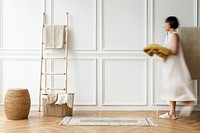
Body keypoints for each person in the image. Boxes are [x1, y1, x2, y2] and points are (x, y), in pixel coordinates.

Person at [159, 16, 196, 120]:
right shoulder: (169, 35)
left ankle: (188, 102)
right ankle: (172, 113)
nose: (165, 25)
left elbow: (174, 51)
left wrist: (162, 50)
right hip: (169, 65)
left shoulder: (174, 35)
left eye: (166, 23)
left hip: (174, 65)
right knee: (170, 87)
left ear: (170, 24)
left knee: (175, 85)